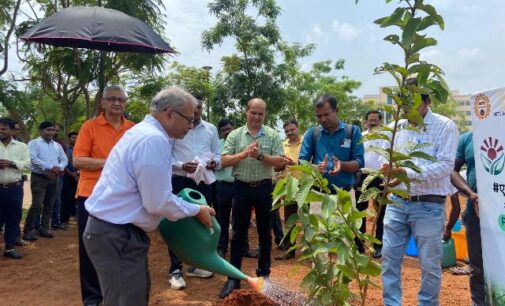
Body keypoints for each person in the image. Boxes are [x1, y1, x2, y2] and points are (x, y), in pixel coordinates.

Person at [83, 86, 215, 306]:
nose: (191, 126)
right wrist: (196, 210)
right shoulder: (153, 139)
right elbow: (157, 202)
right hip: (117, 234)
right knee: (125, 300)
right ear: (169, 113)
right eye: (189, 120)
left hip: (115, 233)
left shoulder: (143, 132)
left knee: (130, 296)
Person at [380, 86, 459, 306]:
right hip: (396, 203)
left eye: (412, 103)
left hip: (428, 206)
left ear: (428, 101)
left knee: (429, 266)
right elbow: (385, 158)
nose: (407, 109)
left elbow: (444, 166)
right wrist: (388, 171)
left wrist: (407, 173)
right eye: (403, 104)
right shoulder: (396, 127)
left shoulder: (444, 126)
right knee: (389, 260)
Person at [218, 98, 291, 298]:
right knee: (238, 234)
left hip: (265, 188)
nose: (257, 117)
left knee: (265, 234)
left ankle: (264, 276)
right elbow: (223, 161)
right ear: (246, 112)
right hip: (241, 188)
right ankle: (233, 278)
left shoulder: (273, 135)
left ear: (265, 114)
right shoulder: (235, 135)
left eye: (261, 113)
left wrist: (260, 156)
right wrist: (243, 154)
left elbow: (279, 163)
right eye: (253, 112)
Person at [73, 85, 135, 306]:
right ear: (103, 102)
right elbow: (78, 161)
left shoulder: (133, 129)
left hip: (123, 196)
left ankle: (117, 295)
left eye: (121, 99)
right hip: (91, 196)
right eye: (112, 99)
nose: (117, 103)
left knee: (122, 246)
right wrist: (111, 162)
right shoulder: (89, 127)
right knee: (90, 248)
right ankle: (92, 299)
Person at [167, 93, 220, 290]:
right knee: (178, 221)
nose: (196, 110)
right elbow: (166, 157)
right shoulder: (175, 128)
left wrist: (215, 161)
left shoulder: (211, 129)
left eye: (199, 106)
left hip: (204, 182)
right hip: (181, 181)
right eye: (193, 107)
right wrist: (182, 165)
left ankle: (196, 265)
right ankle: (175, 269)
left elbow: (217, 154)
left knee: (203, 221)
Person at [299, 95, 364, 192]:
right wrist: (316, 168)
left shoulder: (352, 131)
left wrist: (341, 165)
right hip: (319, 193)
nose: (323, 119)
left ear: (336, 110)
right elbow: (301, 162)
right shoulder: (312, 133)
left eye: (326, 114)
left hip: (345, 192)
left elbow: (359, 162)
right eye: (319, 116)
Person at [451, 131, 483, 305]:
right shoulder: (468, 138)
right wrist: (471, 194)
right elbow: (453, 171)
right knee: (477, 266)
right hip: (476, 210)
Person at [23, 121, 67, 241]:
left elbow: (64, 160)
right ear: (41, 130)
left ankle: (44, 228)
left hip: (54, 177)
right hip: (39, 177)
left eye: (53, 130)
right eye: (48, 130)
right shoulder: (34, 143)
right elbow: (33, 158)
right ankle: (28, 230)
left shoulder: (56, 145)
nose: (51, 132)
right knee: (37, 205)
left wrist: (58, 169)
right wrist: (50, 167)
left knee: (49, 204)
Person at [354, 110, 387, 257]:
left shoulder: (386, 138)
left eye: (376, 120)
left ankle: (378, 246)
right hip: (362, 176)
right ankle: (359, 245)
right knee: (360, 211)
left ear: (380, 122)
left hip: (380, 178)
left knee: (380, 213)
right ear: (365, 122)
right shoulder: (360, 137)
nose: (373, 122)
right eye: (370, 120)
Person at [0, 117, 31, 259]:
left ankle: (10, 248)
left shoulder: (22, 147)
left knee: (13, 218)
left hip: (14, 189)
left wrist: (12, 163)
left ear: (12, 130)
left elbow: (29, 165)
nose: (0, 132)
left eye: (3, 129)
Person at [274, 118, 303, 261]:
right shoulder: (282, 145)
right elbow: (277, 167)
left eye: (292, 129)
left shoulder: (306, 143)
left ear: (298, 128)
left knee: (308, 219)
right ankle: (289, 251)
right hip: (289, 187)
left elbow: (310, 162)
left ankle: (312, 251)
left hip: (305, 186)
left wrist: (295, 164)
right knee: (289, 220)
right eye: (287, 131)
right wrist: (282, 164)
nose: (290, 133)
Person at [215, 119, 235, 259]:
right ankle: (222, 247)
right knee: (222, 218)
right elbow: (216, 163)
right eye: (223, 130)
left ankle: (243, 247)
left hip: (239, 184)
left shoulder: (239, 143)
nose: (227, 132)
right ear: (220, 133)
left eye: (229, 128)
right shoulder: (217, 146)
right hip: (222, 186)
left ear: (233, 128)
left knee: (240, 218)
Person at [60, 131, 79, 227]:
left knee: (77, 198)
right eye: (73, 137)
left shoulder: (81, 149)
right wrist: (71, 173)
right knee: (66, 198)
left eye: (77, 137)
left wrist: (77, 173)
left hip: (79, 176)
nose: (75, 139)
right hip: (67, 176)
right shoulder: (65, 149)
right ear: (69, 138)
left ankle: (76, 215)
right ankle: (64, 220)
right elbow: (64, 163)